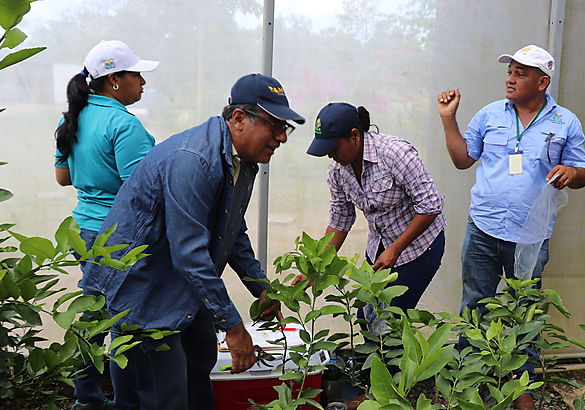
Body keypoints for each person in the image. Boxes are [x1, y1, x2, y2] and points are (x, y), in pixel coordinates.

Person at [80, 73, 304, 410]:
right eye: (274, 124)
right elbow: (189, 253)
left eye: (286, 127)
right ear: (239, 119)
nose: (282, 136)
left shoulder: (242, 161)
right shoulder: (194, 160)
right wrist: (232, 325)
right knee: (160, 394)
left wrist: (261, 287)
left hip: (176, 280)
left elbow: (233, 231)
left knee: (198, 366)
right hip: (142, 287)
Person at [437, 45, 585, 409]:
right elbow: (462, 160)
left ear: (542, 81)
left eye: (521, 73)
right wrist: (448, 119)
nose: (510, 78)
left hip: (531, 235)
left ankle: (522, 389)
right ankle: (469, 382)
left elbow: (582, 171)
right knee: (475, 306)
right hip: (484, 229)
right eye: (510, 71)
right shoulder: (490, 115)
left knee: (526, 310)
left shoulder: (565, 122)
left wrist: (572, 173)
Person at [54, 40, 159, 410]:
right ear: (115, 79)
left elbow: (63, 177)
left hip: (85, 231)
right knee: (126, 322)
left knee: (95, 312)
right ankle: (126, 402)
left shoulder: (72, 117)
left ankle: (87, 399)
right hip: (119, 236)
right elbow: (143, 192)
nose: (143, 81)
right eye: (137, 74)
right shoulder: (123, 124)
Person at [302, 102, 446, 330]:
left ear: (355, 136)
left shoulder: (395, 154)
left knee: (388, 323)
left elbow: (430, 205)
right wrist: (314, 268)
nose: (330, 155)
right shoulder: (339, 169)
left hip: (418, 249)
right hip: (381, 248)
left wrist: (396, 250)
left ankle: (398, 365)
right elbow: (340, 219)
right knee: (365, 317)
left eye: (333, 147)